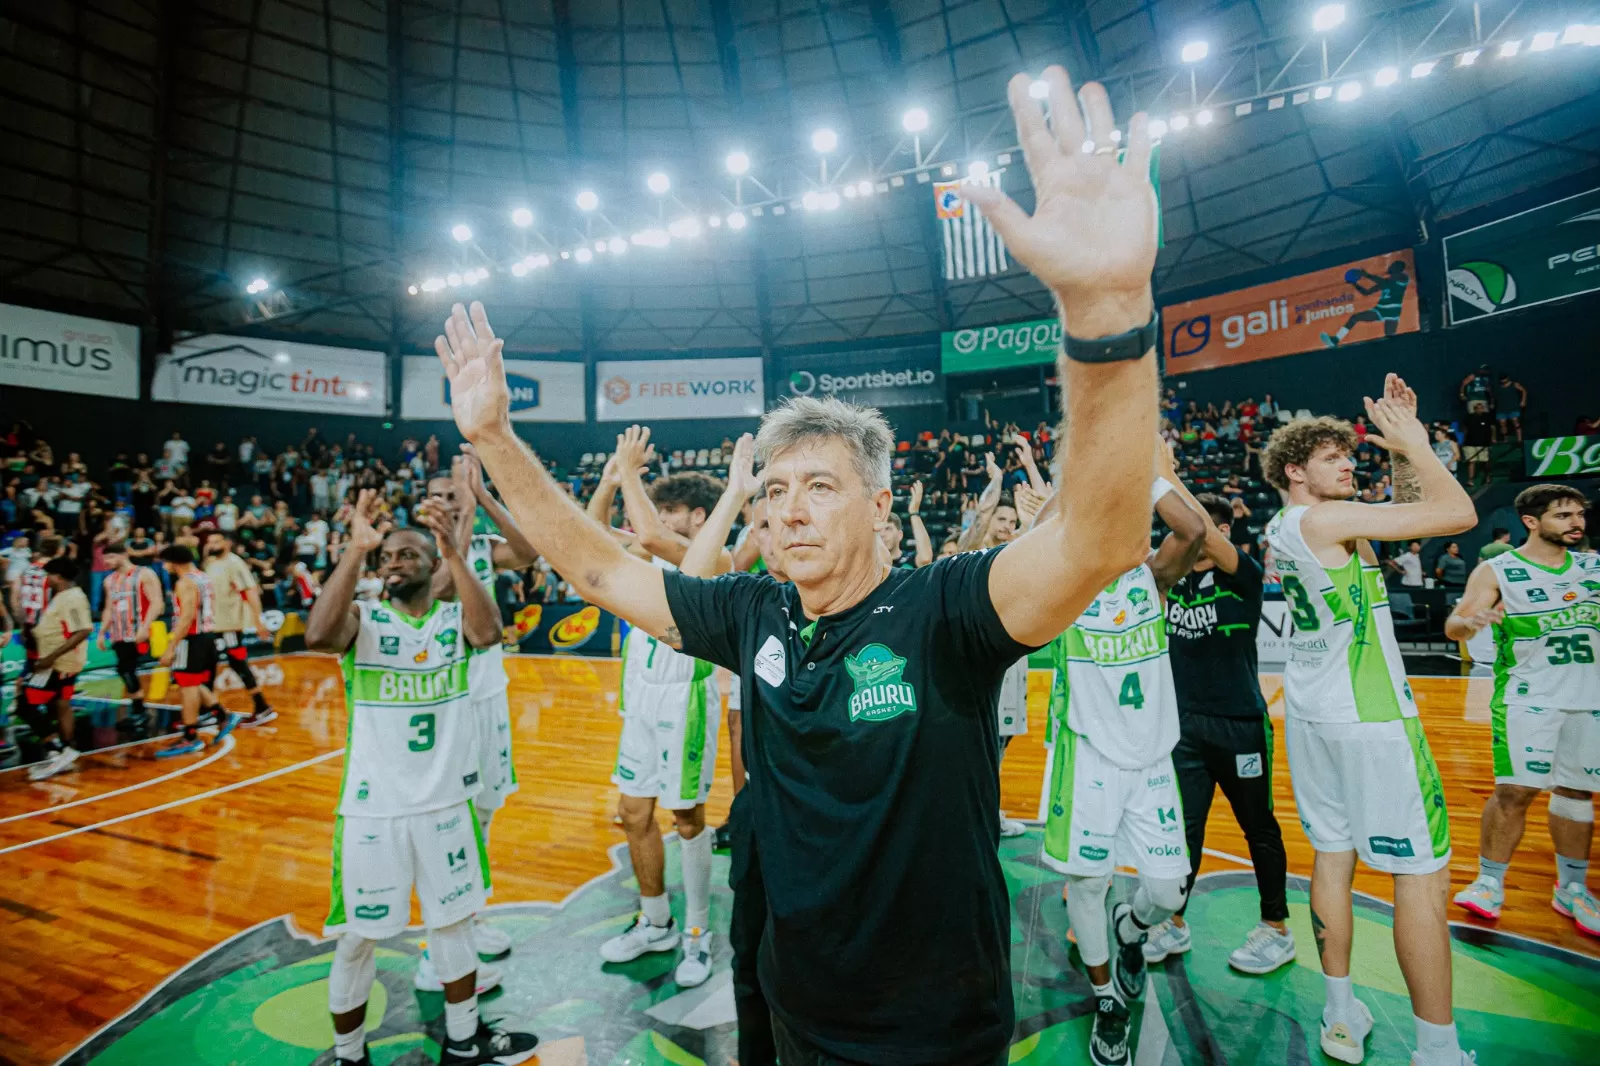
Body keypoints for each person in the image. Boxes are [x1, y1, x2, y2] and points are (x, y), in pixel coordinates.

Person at [431, 64, 1162, 1066]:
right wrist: (498, 439)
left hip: (931, 1030)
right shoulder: (752, 616)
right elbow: (601, 572)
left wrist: (1106, 313)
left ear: (875, 503)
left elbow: (1099, 538)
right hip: (781, 997)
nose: (785, 511)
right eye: (771, 493)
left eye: (816, 486)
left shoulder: (946, 612)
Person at [1262, 377, 1477, 1066]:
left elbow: (1404, 518)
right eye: (1333, 458)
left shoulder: (1290, 526)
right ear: (1295, 470)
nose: (1349, 464)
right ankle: (1438, 1051)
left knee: (1333, 855)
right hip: (1373, 716)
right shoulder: (1325, 521)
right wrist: (1418, 444)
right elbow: (1459, 513)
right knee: (1420, 874)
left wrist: (1400, 460)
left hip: (1315, 713)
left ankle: (1340, 1010)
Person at [304, 489, 539, 1066]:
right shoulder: (365, 622)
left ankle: (463, 1041)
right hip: (373, 814)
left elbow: (489, 634)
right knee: (358, 938)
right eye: (387, 557)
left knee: (453, 927)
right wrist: (355, 552)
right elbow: (318, 636)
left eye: (408, 554)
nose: (394, 563)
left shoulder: (452, 624)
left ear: (432, 566)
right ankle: (348, 1054)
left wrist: (456, 555)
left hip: (445, 808)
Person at [1042, 449, 1206, 1066]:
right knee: (1087, 884)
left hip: (1152, 759)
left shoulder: (1153, 579)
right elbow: (1018, 557)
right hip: (1088, 759)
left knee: (1165, 892)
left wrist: (1146, 465)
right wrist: (1073, 480)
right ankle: (1107, 999)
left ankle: (1131, 933)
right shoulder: (1065, 587)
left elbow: (1191, 529)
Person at [591, 425, 728, 989]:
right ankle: (656, 921)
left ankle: (698, 930)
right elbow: (591, 535)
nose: (659, 516)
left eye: (672, 509)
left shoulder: (715, 555)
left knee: (688, 817)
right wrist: (607, 480)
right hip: (639, 700)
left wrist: (629, 475)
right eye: (660, 507)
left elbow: (645, 535)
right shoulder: (647, 553)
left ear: (698, 517)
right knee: (635, 814)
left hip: (686, 699)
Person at [1144, 490, 1293, 976]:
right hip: (1183, 729)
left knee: (1259, 828)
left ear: (1224, 532)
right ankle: (1175, 921)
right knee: (1184, 829)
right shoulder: (1169, 582)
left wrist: (1162, 473)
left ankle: (1276, 926)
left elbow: (1198, 529)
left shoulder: (1244, 577)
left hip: (1239, 726)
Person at [1446, 485, 1600, 937]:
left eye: (1579, 514)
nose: (1576, 522)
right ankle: (1488, 882)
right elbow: (1454, 622)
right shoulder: (1499, 570)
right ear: (1531, 522)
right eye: (1563, 515)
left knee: (1576, 793)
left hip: (1589, 700)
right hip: (1528, 697)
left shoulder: (1594, 567)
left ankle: (1572, 888)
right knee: (1515, 790)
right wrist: (1471, 621)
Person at [421, 446, 539, 972]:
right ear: (423, 507)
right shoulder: (412, 555)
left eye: (455, 494)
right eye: (440, 496)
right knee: (450, 819)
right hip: (446, 706)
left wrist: (485, 497)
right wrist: (463, 517)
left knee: (486, 811)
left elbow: (529, 551)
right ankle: (436, 941)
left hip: (489, 696)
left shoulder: (483, 545)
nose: (450, 502)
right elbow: (444, 589)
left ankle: (467, 916)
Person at [157, 545, 238, 758]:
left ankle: (190, 736)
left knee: (187, 686)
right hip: (207, 636)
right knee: (191, 682)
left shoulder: (185, 582)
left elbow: (186, 617)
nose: (164, 567)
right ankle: (222, 715)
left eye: (166, 562)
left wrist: (171, 647)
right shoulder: (203, 577)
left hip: (191, 638)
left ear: (174, 562)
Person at [20, 558, 93, 780]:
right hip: (59, 661)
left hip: (58, 663)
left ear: (58, 577)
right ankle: (65, 749)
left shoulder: (72, 598)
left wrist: (50, 657)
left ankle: (58, 749)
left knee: (25, 704)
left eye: (49, 575)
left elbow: (82, 630)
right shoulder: (64, 595)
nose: (46, 579)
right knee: (61, 703)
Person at [203, 533, 277, 726]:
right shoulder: (211, 563)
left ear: (228, 543)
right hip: (213, 624)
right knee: (208, 663)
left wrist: (258, 621)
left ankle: (262, 707)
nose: (211, 545)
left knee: (237, 663)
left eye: (216, 541)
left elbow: (250, 591)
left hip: (230, 625)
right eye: (210, 542)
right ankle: (209, 709)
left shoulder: (235, 563)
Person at [97, 540, 164, 739]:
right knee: (125, 670)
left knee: (126, 669)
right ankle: (138, 709)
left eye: (110, 557)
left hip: (137, 631)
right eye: (105, 558)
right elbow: (109, 607)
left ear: (123, 555)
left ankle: (140, 711)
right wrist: (102, 632)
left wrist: (145, 627)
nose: (107, 562)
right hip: (119, 631)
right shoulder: (109, 580)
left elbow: (157, 602)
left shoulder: (144, 574)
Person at [1320, 260, 1411, 347]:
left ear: (1398, 268)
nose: (1390, 266)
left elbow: (1384, 282)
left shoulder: (1403, 278)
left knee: (1390, 338)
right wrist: (1354, 284)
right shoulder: (1385, 282)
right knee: (1355, 318)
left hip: (1392, 311)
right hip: (1380, 309)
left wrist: (1367, 275)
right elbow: (1366, 292)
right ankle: (1335, 340)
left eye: (1393, 265)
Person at [1495, 373, 1528, 443]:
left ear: (1508, 378)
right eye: (1502, 379)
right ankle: (1505, 440)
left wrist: (1523, 400)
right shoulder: (1498, 387)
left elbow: (1524, 390)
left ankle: (1519, 440)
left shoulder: (1514, 384)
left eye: (1505, 379)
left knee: (1516, 422)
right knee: (1502, 424)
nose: (1503, 381)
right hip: (1502, 409)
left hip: (1513, 408)